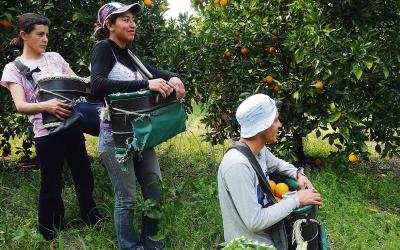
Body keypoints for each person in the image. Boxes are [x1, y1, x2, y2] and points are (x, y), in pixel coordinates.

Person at [90, 2, 185, 249]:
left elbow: (153, 72)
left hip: (140, 136)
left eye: (133, 19)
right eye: (125, 19)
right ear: (109, 25)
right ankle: (131, 247)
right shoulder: (103, 49)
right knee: (127, 198)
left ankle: (153, 243)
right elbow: (97, 85)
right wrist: (145, 85)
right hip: (116, 137)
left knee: (155, 190)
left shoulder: (128, 54)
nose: (132, 24)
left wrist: (173, 76)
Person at [0, 13, 101, 241]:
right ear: (24, 35)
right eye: (40, 34)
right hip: (46, 132)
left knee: (83, 174)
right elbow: (20, 105)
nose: (45, 39)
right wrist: (48, 105)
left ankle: (91, 216)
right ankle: (50, 229)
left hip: (72, 126)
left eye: (47, 34)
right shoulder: (13, 68)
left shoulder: (55, 58)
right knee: (51, 182)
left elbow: (78, 85)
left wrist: (95, 75)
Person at [217, 94, 322, 249]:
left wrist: (297, 174)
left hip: (268, 236)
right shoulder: (237, 165)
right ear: (261, 126)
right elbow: (255, 221)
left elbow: (277, 164)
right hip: (249, 245)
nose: (279, 124)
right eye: (275, 120)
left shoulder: (257, 150)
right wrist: (296, 200)